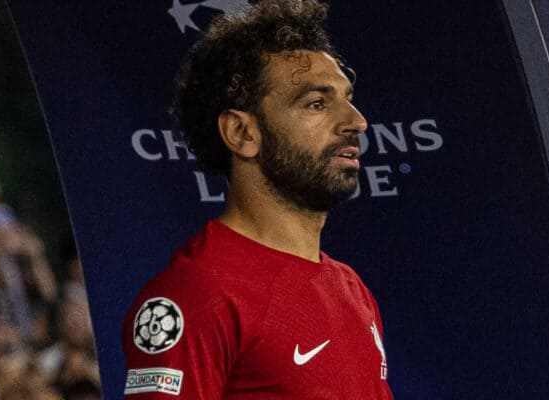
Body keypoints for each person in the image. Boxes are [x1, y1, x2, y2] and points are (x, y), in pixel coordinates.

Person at [121, 0, 394, 398]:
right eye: (316, 103)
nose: (356, 121)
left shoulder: (353, 291)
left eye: (347, 98)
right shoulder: (195, 296)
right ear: (241, 133)